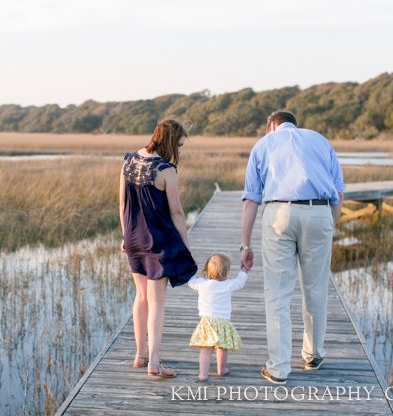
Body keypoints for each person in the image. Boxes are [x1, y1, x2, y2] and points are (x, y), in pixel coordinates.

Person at [240, 110, 345, 385]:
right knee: (315, 288)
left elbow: (251, 200)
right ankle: (313, 355)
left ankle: (278, 368)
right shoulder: (321, 141)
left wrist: (245, 244)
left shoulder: (263, 144)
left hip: (278, 215)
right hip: (319, 212)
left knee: (277, 292)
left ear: (270, 125)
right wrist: (329, 224)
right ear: (295, 124)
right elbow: (338, 192)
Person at [119, 118, 198, 378]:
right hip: (158, 242)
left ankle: (140, 355)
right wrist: (185, 246)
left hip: (132, 238)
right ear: (170, 141)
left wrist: (125, 235)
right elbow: (176, 212)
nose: (180, 149)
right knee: (157, 303)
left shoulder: (129, 161)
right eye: (179, 144)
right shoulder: (167, 170)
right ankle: (154, 363)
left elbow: (122, 205)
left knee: (140, 296)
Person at [188, 253, 247, 381]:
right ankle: (221, 369)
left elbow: (191, 282)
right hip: (223, 322)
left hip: (207, 322)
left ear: (207, 270)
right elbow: (240, 282)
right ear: (226, 272)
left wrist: (191, 268)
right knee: (222, 346)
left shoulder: (202, 284)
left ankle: (203, 373)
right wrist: (244, 271)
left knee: (205, 349)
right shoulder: (228, 284)